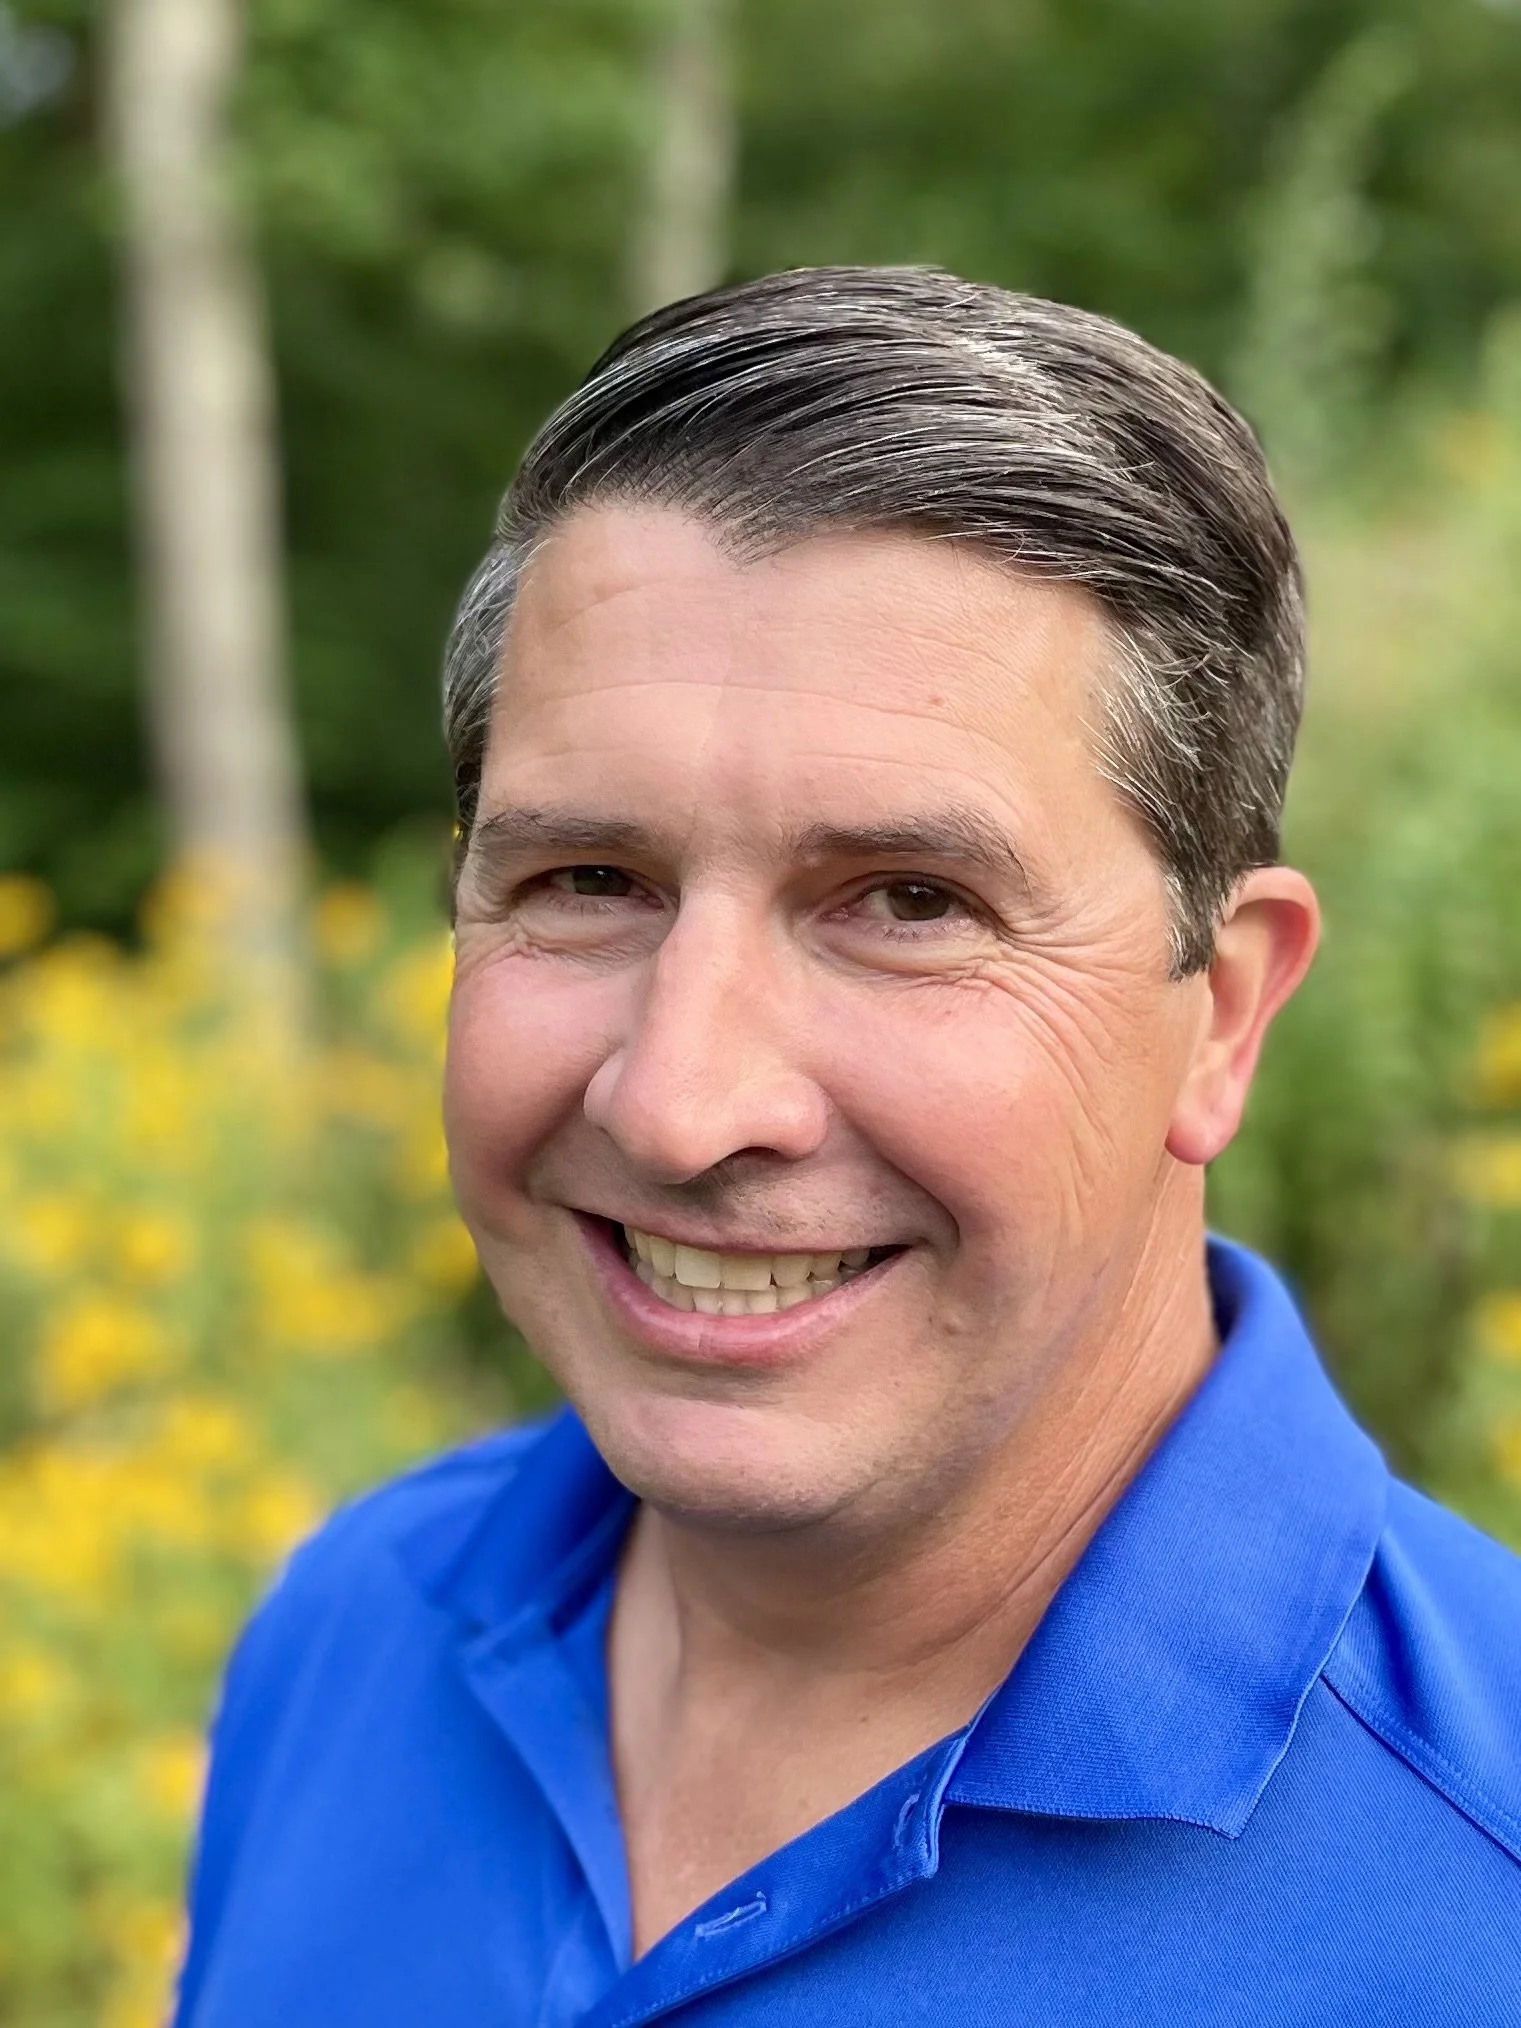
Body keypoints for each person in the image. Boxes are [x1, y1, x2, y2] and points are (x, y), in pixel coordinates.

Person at [172, 268, 1521, 2027]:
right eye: (589, 882)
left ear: (1225, 1012)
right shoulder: (355, 1633)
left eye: (907, 901)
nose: (679, 1101)